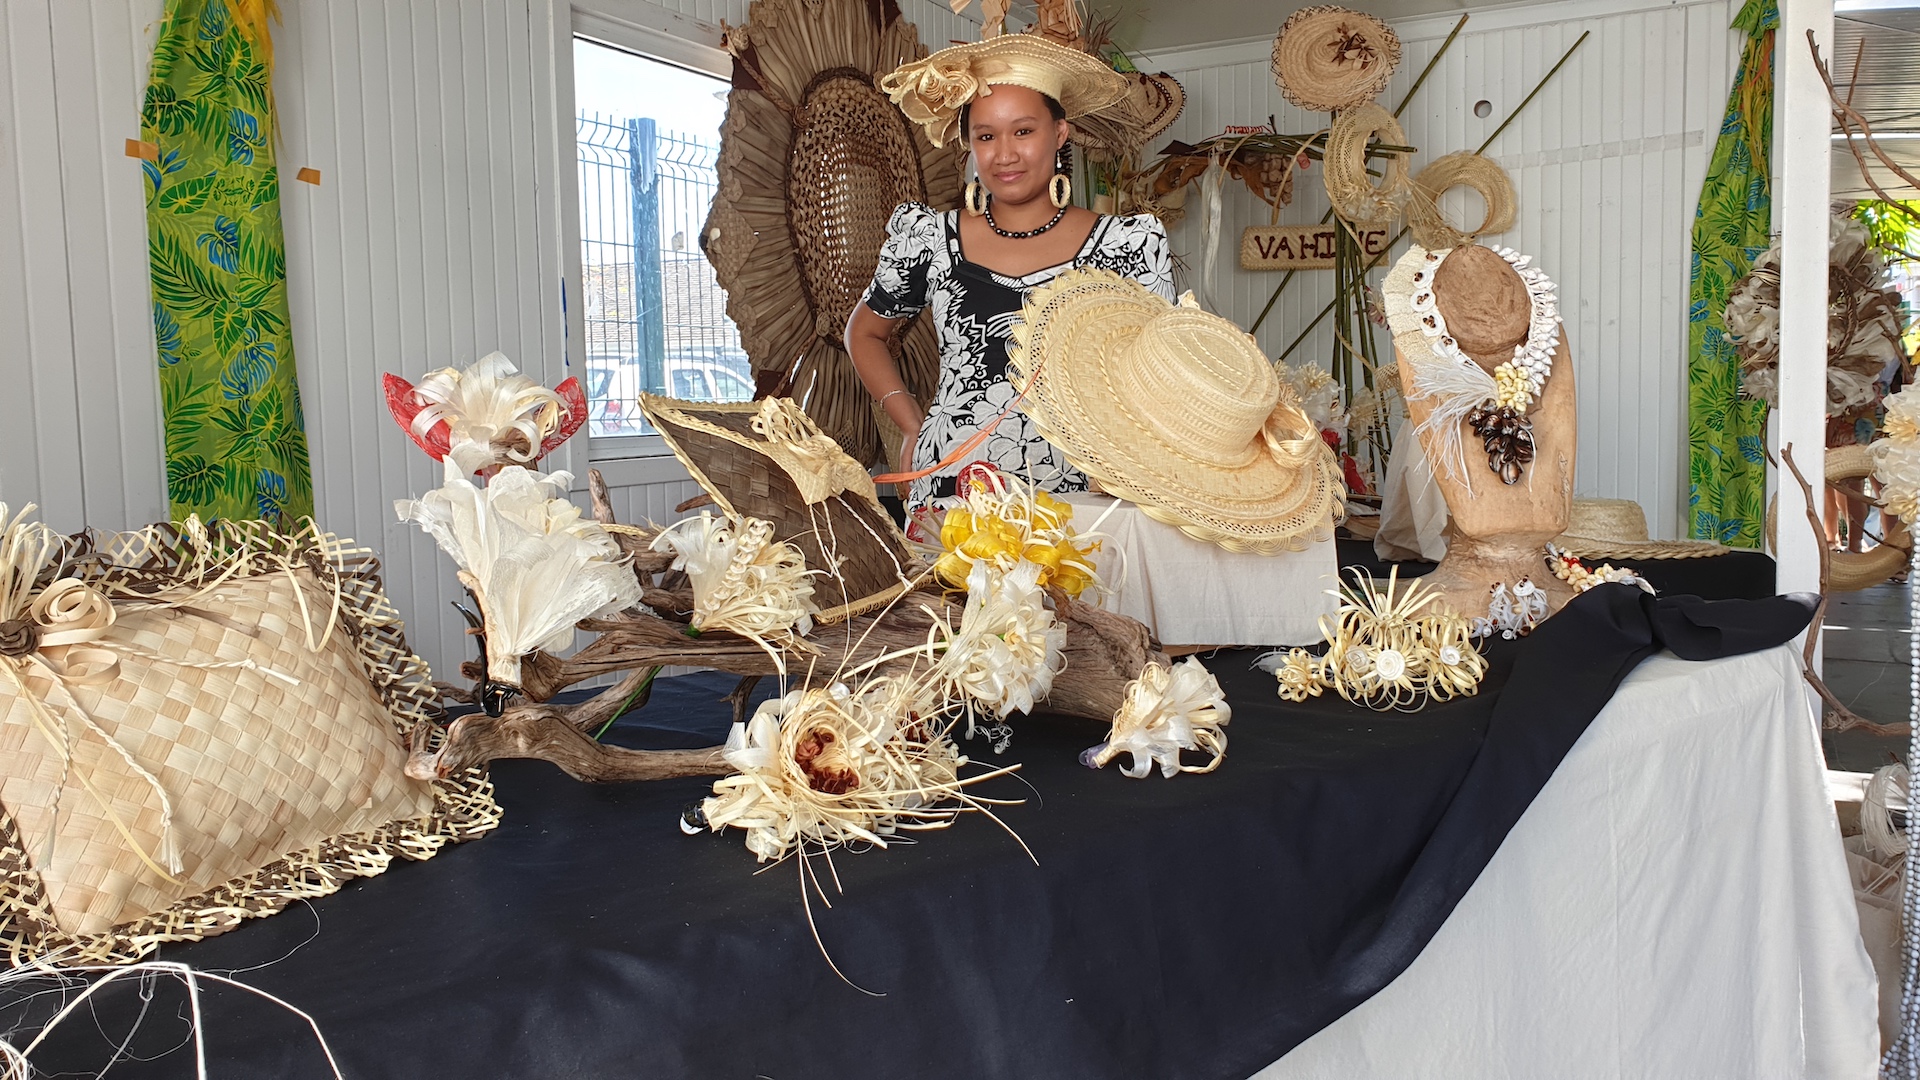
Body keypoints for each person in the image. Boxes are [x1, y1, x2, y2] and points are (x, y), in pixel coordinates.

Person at [845, 35, 1174, 514]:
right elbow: (864, 333)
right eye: (986, 136)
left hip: (1084, 493)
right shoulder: (931, 238)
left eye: (1023, 131)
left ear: (1059, 133)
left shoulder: (1126, 244)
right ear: (969, 144)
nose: (1004, 154)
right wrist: (912, 423)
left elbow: (1160, 372)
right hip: (953, 488)